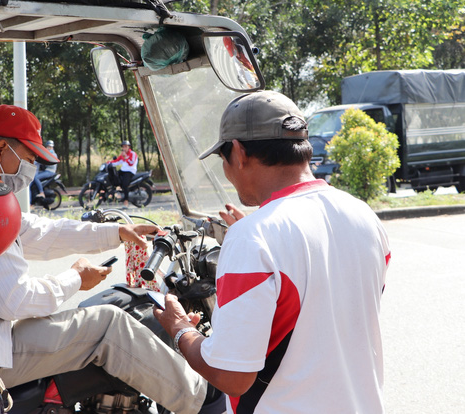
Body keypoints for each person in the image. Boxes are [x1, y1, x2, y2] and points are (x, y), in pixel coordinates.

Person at [0, 104, 221, 414]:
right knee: (109, 324)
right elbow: (17, 299)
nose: (31, 169)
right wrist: (75, 279)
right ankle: (207, 401)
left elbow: (43, 231)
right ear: (0, 149)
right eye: (28, 159)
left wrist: (117, 232)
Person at [154, 91, 391, 413]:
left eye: (222, 159)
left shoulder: (253, 237)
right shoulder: (363, 215)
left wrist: (180, 329)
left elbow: (232, 376)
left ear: (237, 152)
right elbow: (328, 306)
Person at [107, 140, 137, 208]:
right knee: (114, 178)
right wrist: (108, 163)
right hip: (123, 170)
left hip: (130, 171)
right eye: (123, 147)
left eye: (126, 146)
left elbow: (131, 163)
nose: (124, 148)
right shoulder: (122, 154)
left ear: (129, 147)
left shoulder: (133, 154)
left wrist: (126, 157)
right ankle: (113, 194)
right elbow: (117, 161)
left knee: (124, 184)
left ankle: (126, 201)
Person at [31, 140, 58, 204]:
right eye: (48, 147)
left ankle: (41, 192)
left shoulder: (53, 154)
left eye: (50, 147)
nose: (49, 148)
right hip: (46, 171)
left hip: (50, 172)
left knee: (36, 177)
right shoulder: (49, 154)